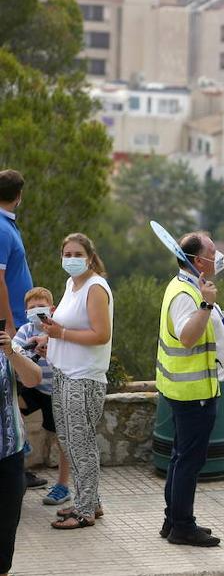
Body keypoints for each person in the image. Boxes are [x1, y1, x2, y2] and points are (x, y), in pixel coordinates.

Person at [156, 231, 224, 546]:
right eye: (213, 253)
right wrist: (206, 304)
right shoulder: (188, 295)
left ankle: (173, 521)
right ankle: (183, 527)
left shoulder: (185, 286)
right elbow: (187, 337)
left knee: (179, 457)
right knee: (189, 460)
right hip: (192, 393)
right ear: (198, 260)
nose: (218, 258)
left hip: (187, 390)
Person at [42, 234, 113, 530]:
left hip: (83, 378)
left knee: (81, 445)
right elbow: (64, 323)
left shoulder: (96, 288)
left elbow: (101, 334)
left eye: (76, 253)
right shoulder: (72, 284)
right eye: (66, 253)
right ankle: (90, 501)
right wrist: (45, 335)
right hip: (64, 371)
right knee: (70, 443)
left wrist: (61, 336)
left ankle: (83, 512)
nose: (70, 258)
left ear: (89, 256)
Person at [15, 287, 71, 505]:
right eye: (32, 308)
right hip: (33, 389)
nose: (36, 311)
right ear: (26, 311)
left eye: (41, 306)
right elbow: (15, 353)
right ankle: (23, 439)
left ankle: (62, 485)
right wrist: (31, 352)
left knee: (62, 440)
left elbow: (69, 359)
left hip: (55, 391)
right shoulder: (25, 330)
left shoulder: (59, 330)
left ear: (52, 309)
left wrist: (51, 352)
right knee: (11, 401)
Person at [0, 318, 45, 576]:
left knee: (5, 530)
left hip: (8, 452)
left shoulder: (9, 349)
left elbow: (33, 378)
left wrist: (10, 352)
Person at [0, 171, 33, 346]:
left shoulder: (5, 224)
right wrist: (9, 326)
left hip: (20, 322)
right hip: (11, 327)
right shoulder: (2, 229)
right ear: (18, 196)